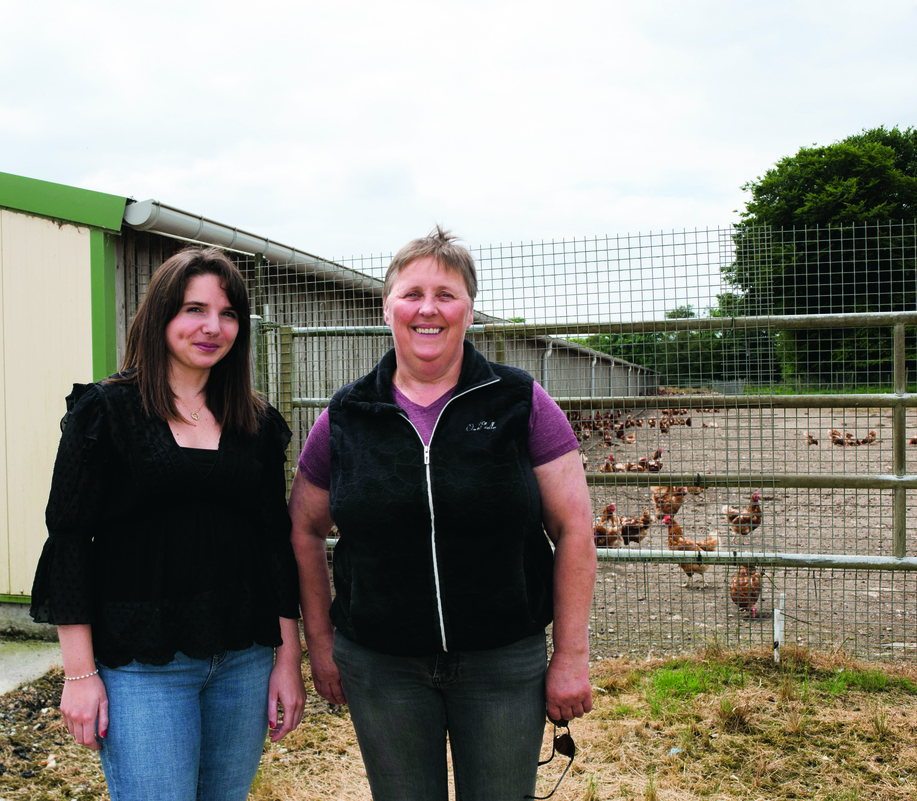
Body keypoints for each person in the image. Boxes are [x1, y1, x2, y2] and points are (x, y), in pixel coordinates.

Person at [289, 226, 596, 800]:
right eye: (411, 294)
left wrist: (571, 655)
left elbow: (574, 527)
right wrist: (322, 642)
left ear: (470, 311)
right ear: (387, 308)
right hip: (382, 667)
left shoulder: (521, 402)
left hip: (503, 664)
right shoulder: (346, 416)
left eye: (446, 294)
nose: (427, 309)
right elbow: (304, 529)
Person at [30, 247, 304, 801]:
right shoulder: (106, 413)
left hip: (242, 661)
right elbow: (68, 541)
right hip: (143, 666)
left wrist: (288, 659)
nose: (212, 327)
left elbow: (273, 542)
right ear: (160, 318)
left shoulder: (255, 421)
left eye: (228, 314)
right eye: (194, 310)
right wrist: (79, 675)